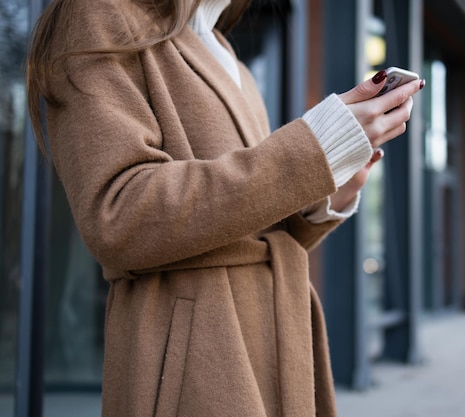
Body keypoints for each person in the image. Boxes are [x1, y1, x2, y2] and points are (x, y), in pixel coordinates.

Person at [26, 0, 425, 415]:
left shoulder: (223, 50)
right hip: (196, 354)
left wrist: (329, 193)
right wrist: (312, 149)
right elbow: (118, 215)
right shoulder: (98, 14)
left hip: (275, 340)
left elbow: (249, 223)